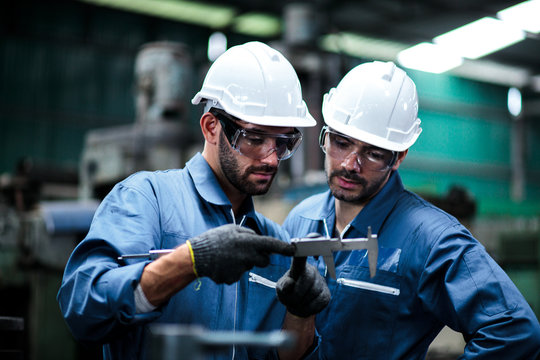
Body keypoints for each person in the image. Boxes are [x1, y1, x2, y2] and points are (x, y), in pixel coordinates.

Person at [57, 41, 329, 360]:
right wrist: (189, 262)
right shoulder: (146, 201)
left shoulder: (275, 243)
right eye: (254, 139)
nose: (272, 159)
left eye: (284, 142)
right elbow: (83, 310)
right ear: (212, 127)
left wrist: (301, 313)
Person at [283, 61, 540, 359]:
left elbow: (515, 332)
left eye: (374, 153)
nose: (349, 164)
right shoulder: (300, 221)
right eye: (341, 142)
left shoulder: (432, 239)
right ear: (325, 135)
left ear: (399, 156)